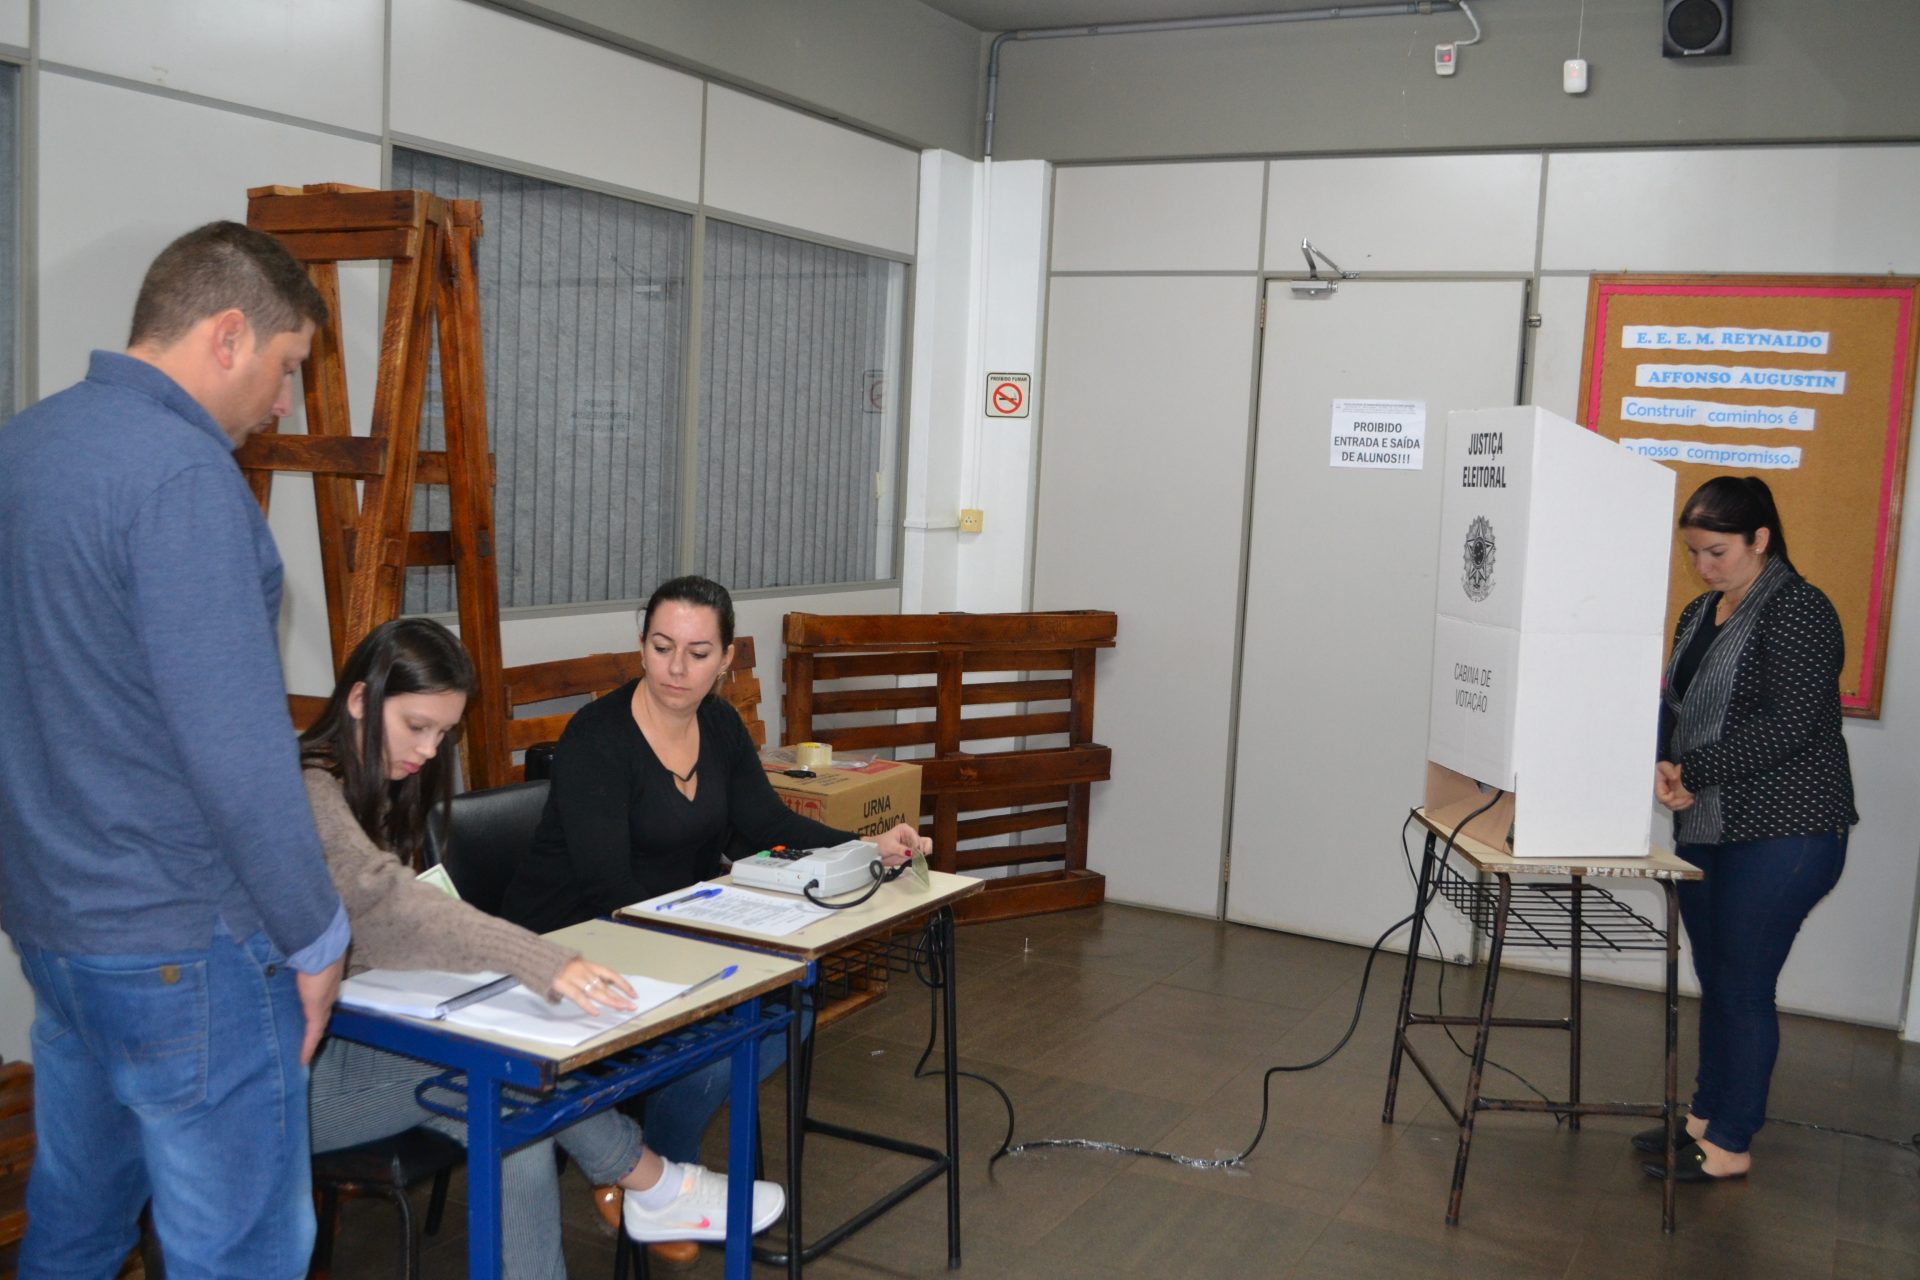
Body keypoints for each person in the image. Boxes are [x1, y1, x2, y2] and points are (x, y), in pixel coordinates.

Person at [0, 221, 350, 1278]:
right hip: (183, 941)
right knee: (240, 1252)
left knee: (76, 1226)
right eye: (286, 367)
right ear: (227, 334)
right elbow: (237, 753)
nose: (284, 403)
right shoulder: (184, 476)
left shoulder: (25, 446)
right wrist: (316, 932)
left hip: (58, 930)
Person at [301, 618, 784, 1274]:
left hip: (352, 1040)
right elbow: (386, 904)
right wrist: (535, 959)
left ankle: (653, 1187)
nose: (429, 750)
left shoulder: (369, 786)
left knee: (515, 1124)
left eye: (442, 734)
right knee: (508, 1065)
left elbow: (376, 925)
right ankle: (654, 1184)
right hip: (288, 1081)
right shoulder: (310, 790)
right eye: (417, 727)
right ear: (360, 700)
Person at [500, 576, 929, 1207]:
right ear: (641, 645)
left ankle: (648, 1171)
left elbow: (766, 825)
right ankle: (654, 1182)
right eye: (661, 647)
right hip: (575, 944)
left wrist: (864, 846)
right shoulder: (597, 737)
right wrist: (706, 951)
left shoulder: (721, 725)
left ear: (725, 658)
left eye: (698, 653)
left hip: (668, 934)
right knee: (727, 1033)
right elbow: (608, 889)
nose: (677, 669)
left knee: (785, 1014)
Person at [1643, 475, 1856, 1183]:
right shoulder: (1700, 611)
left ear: (1760, 539)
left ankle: (1731, 1141)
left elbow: (1790, 724)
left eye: (1718, 552)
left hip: (1787, 833)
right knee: (1718, 977)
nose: (1703, 567)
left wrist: (1693, 770)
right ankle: (1704, 1118)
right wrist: (1662, 761)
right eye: (1694, 553)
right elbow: (1673, 703)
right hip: (1710, 824)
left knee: (1743, 984)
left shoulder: (1800, 609)